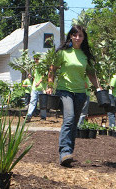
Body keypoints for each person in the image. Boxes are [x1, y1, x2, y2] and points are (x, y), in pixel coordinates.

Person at [46, 25, 101, 167]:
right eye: (75, 35)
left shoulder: (85, 55)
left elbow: (90, 73)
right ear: (70, 36)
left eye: (80, 35)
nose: (77, 38)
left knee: (74, 123)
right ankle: (64, 152)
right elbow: (52, 70)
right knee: (69, 119)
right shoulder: (62, 53)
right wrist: (50, 86)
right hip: (65, 91)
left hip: (80, 93)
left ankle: (68, 154)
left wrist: (98, 87)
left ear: (83, 38)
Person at [25, 56, 47, 122]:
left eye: (37, 59)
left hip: (42, 88)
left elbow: (44, 75)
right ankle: (29, 116)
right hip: (35, 88)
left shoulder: (43, 67)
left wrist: (39, 82)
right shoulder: (34, 67)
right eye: (34, 59)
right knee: (32, 101)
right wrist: (34, 82)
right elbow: (34, 76)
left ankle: (43, 117)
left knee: (42, 103)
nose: (35, 60)